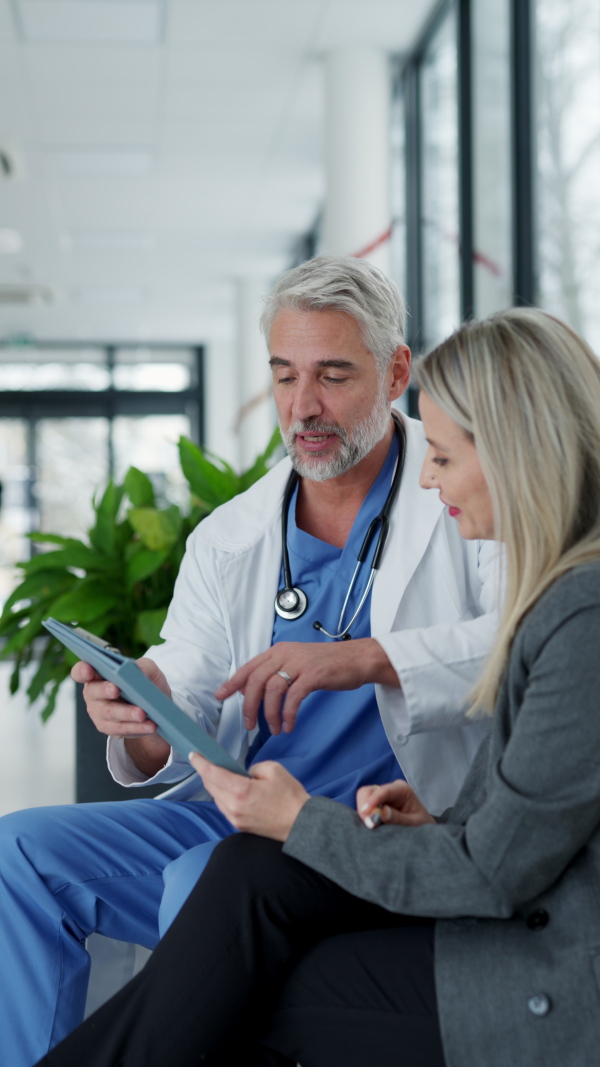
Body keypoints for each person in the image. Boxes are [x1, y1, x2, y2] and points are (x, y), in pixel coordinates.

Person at [36, 305, 600, 1067]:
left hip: (537, 964)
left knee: (229, 975)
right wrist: (146, 709)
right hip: (283, 818)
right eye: (283, 375)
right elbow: (537, 795)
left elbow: (498, 856)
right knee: (100, 863)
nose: (302, 404)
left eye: (332, 374)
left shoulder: (571, 606)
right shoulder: (232, 534)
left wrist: (361, 668)